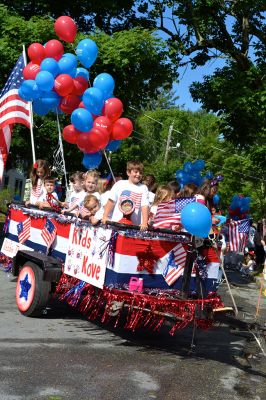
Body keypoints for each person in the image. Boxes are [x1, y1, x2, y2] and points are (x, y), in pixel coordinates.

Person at [102, 160, 149, 230]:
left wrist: (144, 223)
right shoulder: (120, 184)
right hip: (116, 223)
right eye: (136, 172)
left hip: (133, 227)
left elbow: (145, 206)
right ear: (128, 172)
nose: (138, 174)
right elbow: (111, 200)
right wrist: (105, 216)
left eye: (140, 173)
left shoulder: (143, 188)